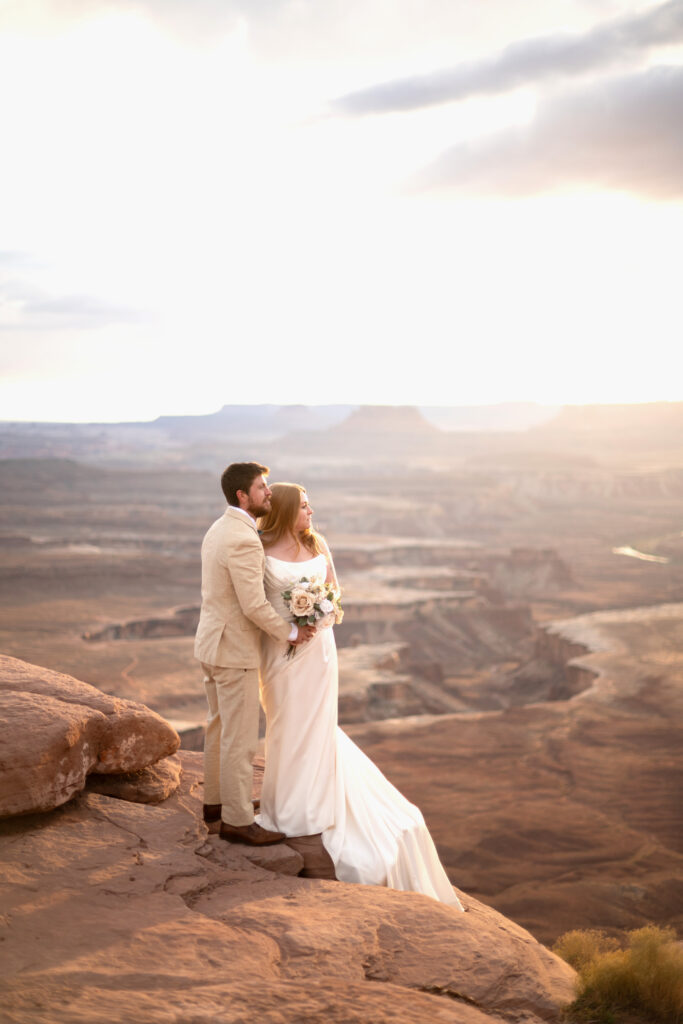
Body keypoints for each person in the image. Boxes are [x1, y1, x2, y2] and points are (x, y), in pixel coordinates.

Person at [256, 482, 464, 907]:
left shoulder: (316, 543)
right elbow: (255, 602)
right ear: (286, 510)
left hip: (319, 651)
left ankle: (311, 805)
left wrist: (319, 610)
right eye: (305, 506)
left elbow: (334, 592)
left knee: (316, 724)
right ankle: (285, 802)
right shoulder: (257, 550)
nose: (311, 512)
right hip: (280, 651)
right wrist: (290, 621)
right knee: (284, 722)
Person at [194, 462, 315, 846]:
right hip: (234, 651)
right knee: (241, 738)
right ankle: (237, 821)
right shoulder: (244, 538)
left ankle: (215, 804)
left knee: (217, 728)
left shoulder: (219, 528)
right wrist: (292, 631)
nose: (268, 493)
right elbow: (254, 605)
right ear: (242, 496)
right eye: (262, 487)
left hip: (211, 643)